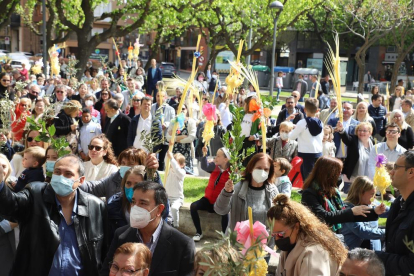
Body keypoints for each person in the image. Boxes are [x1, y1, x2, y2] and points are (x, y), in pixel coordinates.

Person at [0, 154, 107, 275]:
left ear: (81, 180)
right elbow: (11, 206)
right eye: (57, 172)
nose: (61, 177)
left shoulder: (95, 206)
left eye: (68, 174)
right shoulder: (35, 193)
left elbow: (103, 252)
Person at [100, 181, 195, 276]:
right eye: (133, 202)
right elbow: (106, 271)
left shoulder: (182, 244)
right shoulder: (121, 235)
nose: (135, 207)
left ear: (159, 209)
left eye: (142, 203)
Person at [268, 194, 348, 276]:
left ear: (296, 227)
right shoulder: (290, 246)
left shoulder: (314, 254)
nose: (277, 238)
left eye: (281, 234)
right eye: (273, 235)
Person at [301, 157, 384, 233]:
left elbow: (345, 216)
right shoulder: (309, 194)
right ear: (328, 174)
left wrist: (374, 212)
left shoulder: (332, 192)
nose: (339, 177)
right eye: (338, 173)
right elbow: (324, 216)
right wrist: (351, 212)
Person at [214, 153, 278, 232]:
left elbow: (277, 217)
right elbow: (220, 210)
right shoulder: (238, 189)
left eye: (266, 169)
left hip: (264, 242)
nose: (262, 172)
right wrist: (226, 193)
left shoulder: (272, 190)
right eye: (259, 168)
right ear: (251, 169)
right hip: (239, 242)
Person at [376, 151, 414, 275]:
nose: (391, 172)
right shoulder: (399, 202)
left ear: (411, 172)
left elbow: (411, 265)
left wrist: (375, 257)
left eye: (396, 168)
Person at [191, 147, 230, 241]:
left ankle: (225, 237)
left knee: (226, 212)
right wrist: (204, 154)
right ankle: (199, 232)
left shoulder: (231, 172)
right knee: (193, 206)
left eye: (218, 156)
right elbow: (205, 166)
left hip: (220, 203)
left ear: (226, 159)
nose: (215, 158)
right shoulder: (214, 167)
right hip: (208, 201)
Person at [342, 176, 386, 250]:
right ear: (361, 193)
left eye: (375, 194)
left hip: (374, 254)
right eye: (372, 194)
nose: (374, 197)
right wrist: (388, 232)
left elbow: (390, 211)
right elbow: (362, 231)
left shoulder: (372, 203)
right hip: (355, 255)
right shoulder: (348, 208)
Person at [288, 98, 323, 180]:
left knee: (307, 175)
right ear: (317, 110)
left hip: (306, 152)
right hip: (318, 152)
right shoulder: (320, 122)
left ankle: (307, 190)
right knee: (314, 174)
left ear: (304, 109)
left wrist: (292, 129)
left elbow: (292, 136)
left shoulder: (302, 123)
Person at [0, 154, 17, 276]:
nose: (1, 169)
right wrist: (5, 226)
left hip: (8, 247)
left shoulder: (12, 187)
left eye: (4, 166)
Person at [150, 89, 176, 170]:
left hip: (165, 137)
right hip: (154, 137)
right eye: (158, 96)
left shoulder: (170, 109)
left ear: (166, 97)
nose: (159, 98)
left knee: (162, 159)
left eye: (162, 96)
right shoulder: (152, 107)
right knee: (153, 156)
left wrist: (166, 124)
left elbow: (173, 121)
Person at [166, 104, 196, 172]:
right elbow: (168, 137)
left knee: (186, 172)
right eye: (179, 109)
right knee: (173, 171)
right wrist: (181, 137)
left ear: (186, 110)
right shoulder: (173, 121)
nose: (181, 110)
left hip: (186, 152)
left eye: (183, 109)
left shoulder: (191, 122)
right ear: (177, 110)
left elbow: (191, 138)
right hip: (174, 151)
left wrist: (176, 139)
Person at [165, 151, 186, 228]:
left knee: (174, 208)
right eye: (172, 162)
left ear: (182, 165)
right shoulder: (168, 171)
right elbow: (166, 160)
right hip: (167, 197)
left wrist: (171, 159)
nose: (172, 164)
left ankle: (175, 226)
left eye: (175, 162)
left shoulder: (181, 172)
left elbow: (176, 169)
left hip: (177, 198)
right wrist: (168, 154)